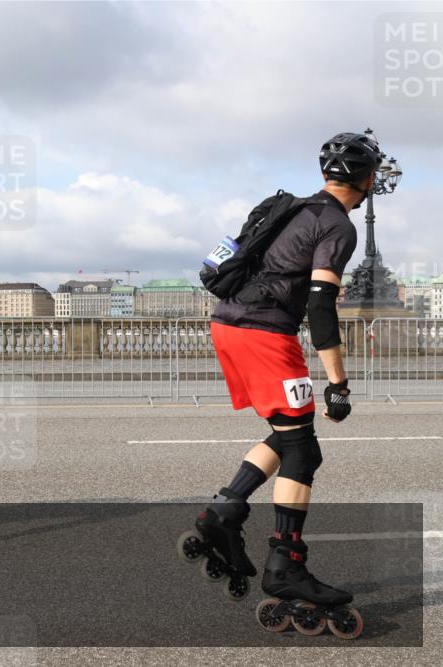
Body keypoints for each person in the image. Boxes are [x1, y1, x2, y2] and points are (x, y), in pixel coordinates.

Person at [197, 132, 384, 607]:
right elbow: (321, 305)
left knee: (289, 430)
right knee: (304, 453)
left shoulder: (295, 208)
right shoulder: (339, 226)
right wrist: (338, 383)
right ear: (367, 180)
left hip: (227, 325)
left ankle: (226, 509)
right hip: (264, 334)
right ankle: (286, 565)